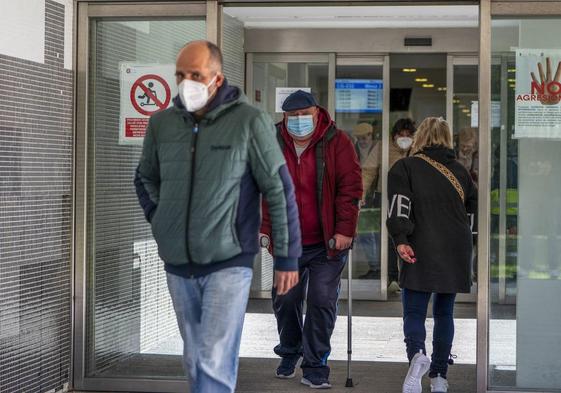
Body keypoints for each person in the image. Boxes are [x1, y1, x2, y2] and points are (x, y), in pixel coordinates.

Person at [134, 40, 301, 393]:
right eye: (181, 74)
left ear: (217, 77)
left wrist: (287, 257)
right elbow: (145, 177)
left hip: (229, 261)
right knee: (195, 359)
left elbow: (278, 188)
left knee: (213, 359)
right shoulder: (162, 123)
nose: (186, 81)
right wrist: (163, 219)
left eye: (196, 74)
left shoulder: (249, 121)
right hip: (178, 264)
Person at [261, 90, 362, 389]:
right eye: (293, 117)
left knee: (320, 299)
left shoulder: (337, 142)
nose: (299, 121)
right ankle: (291, 350)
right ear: (284, 118)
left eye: (305, 115)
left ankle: (315, 363)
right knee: (286, 298)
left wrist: (345, 230)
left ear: (317, 113)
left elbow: (350, 189)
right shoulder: (272, 141)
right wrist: (264, 229)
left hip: (327, 243)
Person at [386, 117, 477, 393]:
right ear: (448, 138)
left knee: (413, 311)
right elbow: (471, 212)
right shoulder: (461, 172)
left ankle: (417, 356)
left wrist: (401, 239)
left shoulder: (405, 167)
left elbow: (399, 206)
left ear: (419, 137)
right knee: (444, 313)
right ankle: (439, 376)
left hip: (420, 245)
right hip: (455, 248)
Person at [359, 118, 416, 286]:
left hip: (411, 201)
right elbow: (368, 171)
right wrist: (361, 194)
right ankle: (391, 276)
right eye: (401, 134)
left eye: (408, 135)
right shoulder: (383, 147)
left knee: (410, 237)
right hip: (385, 198)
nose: (404, 138)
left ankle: (408, 275)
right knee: (388, 236)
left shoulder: (418, 149)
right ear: (394, 135)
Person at [352, 122, 381, 278]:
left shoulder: (378, 148)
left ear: (371, 135)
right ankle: (374, 266)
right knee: (364, 234)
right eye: (359, 138)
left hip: (375, 197)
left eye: (365, 137)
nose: (362, 141)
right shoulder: (353, 150)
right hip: (359, 196)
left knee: (377, 234)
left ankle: (380, 268)